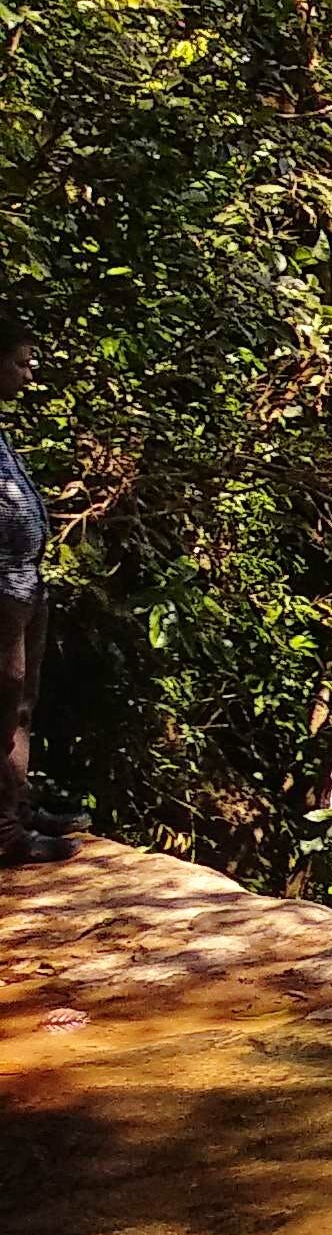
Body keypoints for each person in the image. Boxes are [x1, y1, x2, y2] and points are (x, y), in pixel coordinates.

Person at [0, 336, 47, 859]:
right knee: (0, 702)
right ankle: (5, 835)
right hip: (2, 591)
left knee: (18, 707)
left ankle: (18, 813)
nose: (27, 375)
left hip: (24, 584)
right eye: (19, 363)